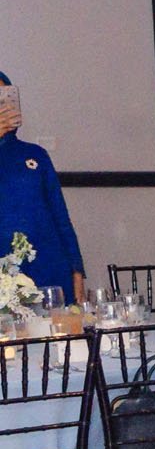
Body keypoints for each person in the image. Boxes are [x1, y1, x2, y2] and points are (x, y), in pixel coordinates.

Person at [0, 71, 86, 304]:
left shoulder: (35, 154)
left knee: (56, 336)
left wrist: (76, 268)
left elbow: (60, 215)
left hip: (49, 266)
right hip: (4, 276)